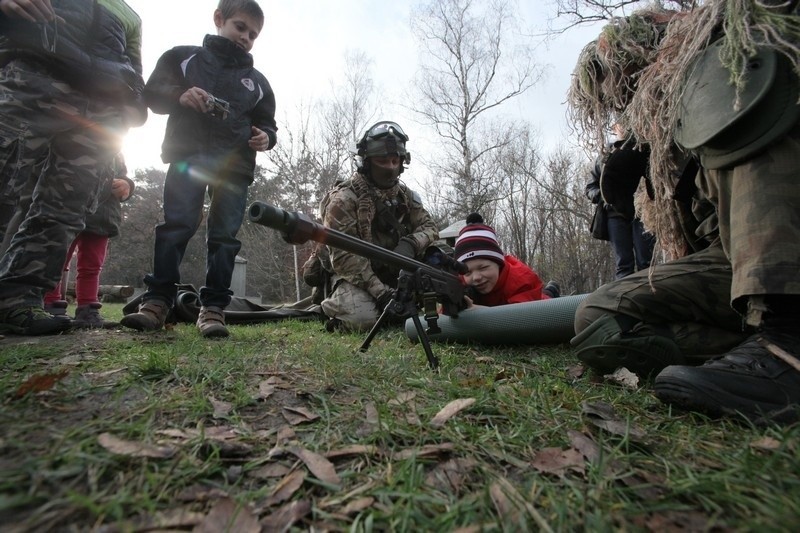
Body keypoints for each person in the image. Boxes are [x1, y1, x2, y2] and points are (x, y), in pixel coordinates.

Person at [568, 2, 800, 423]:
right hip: (730, 264)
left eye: (628, 79)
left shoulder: (734, 50)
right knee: (599, 319)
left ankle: (788, 343)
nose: (626, 101)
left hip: (782, 253)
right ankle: (756, 350)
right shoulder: (661, 139)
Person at [120, 0, 277, 338]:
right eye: (240, 27)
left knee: (224, 237)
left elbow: (268, 124)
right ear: (219, 19)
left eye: (253, 34)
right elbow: (152, 94)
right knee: (176, 226)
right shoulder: (182, 57)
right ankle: (157, 301)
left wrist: (266, 137)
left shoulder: (258, 81)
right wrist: (180, 94)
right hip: (187, 157)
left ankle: (214, 309)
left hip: (233, 169)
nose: (245, 38)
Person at [0, 0, 146, 336]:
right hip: (32, 78)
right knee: (5, 180)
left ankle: (17, 298)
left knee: (65, 207)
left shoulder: (130, 16)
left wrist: (130, 105)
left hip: (98, 111)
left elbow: (133, 69)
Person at [319, 120, 439, 333]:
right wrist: (382, 294)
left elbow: (429, 227)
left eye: (395, 161)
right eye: (383, 161)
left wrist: (411, 243)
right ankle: (331, 306)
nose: (391, 168)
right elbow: (344, 258)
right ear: (366, 162)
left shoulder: (406, 197)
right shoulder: (344, 200)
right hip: (354, 275)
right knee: (362, 319)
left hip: (395, 272)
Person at [43, 154, 134, 328]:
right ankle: (50, 306)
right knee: (57, 258)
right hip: (67, 210)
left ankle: (88, 310)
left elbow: (122, 175)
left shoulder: (116, 151)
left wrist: (126, 185)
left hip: (102, 216)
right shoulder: (73, 140)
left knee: (92, 265)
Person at [585, 125, 656, 279]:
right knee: (624, 265)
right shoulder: (605, 156)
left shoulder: (643, 149)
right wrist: (604, 197)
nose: (623, 128)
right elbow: (590, 188)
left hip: (641, 212)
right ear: (615, 129)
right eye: (620, 125)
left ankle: (650, 297)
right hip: (615, 214)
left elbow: (653, 178)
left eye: (626, 124)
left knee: (646, 261)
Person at [454, 213, 559, 308]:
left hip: (536, 303)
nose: (476, 277)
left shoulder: (521, 280)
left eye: (483, 268)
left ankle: (551, 290)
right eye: (468, 272)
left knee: (546, 297)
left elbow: (522, 319)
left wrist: (479, 312)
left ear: (499, 264)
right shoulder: (460, 283)